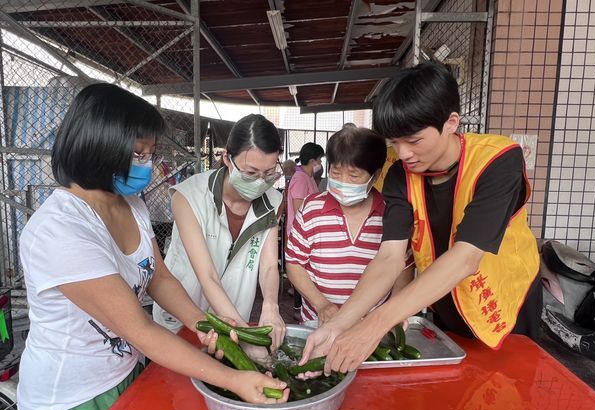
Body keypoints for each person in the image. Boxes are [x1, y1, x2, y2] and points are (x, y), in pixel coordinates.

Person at [17, 85, 287, 410]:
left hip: (127, 373)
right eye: (137, 154)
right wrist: (234, 380)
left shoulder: (131, 205)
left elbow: (159, 279)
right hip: (71, 401)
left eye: (150, 153)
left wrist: (206, 324)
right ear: (98, 147)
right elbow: (140, 329)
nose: (147, 164)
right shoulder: (61, 231)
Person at [301, 62, 541, 373]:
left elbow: (466, 259)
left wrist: (376, 324)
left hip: (505, 307)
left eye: (413, 141)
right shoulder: (401, 173)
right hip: (445, 305)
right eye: (394, 142)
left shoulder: (498, 160)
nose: (402, 154)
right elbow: (389, 258)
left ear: (451, 122)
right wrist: (340, 324)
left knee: (507, 400)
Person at [152, 114, 286, 350]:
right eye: (250, 173)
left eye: (269, 173)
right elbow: (208, 277)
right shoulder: (189, 196)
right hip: (184, 317)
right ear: (227, 158)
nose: (260, 182)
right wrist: (246, 336)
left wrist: (271, 307)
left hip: (235, 315)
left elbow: (267, 267)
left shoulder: (273, 200)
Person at [286, 126, 413, 324]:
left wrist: (391, 312)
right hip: (317, 323)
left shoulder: (392, 214)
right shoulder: (311, 208)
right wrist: (321, 305)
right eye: (335, 173)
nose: (343, 182)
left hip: (370, 327)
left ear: (376, 175)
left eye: (354, 176)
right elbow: (294, 264)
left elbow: (404, 268)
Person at [286, 142, 325, 320]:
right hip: (302, 235)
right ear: (312, 160)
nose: (321, 163)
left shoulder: (307, 177)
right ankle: (298, 308)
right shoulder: (300, 178)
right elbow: (299, 208)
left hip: (311, 234)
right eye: (319, 160)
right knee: (301, 270)